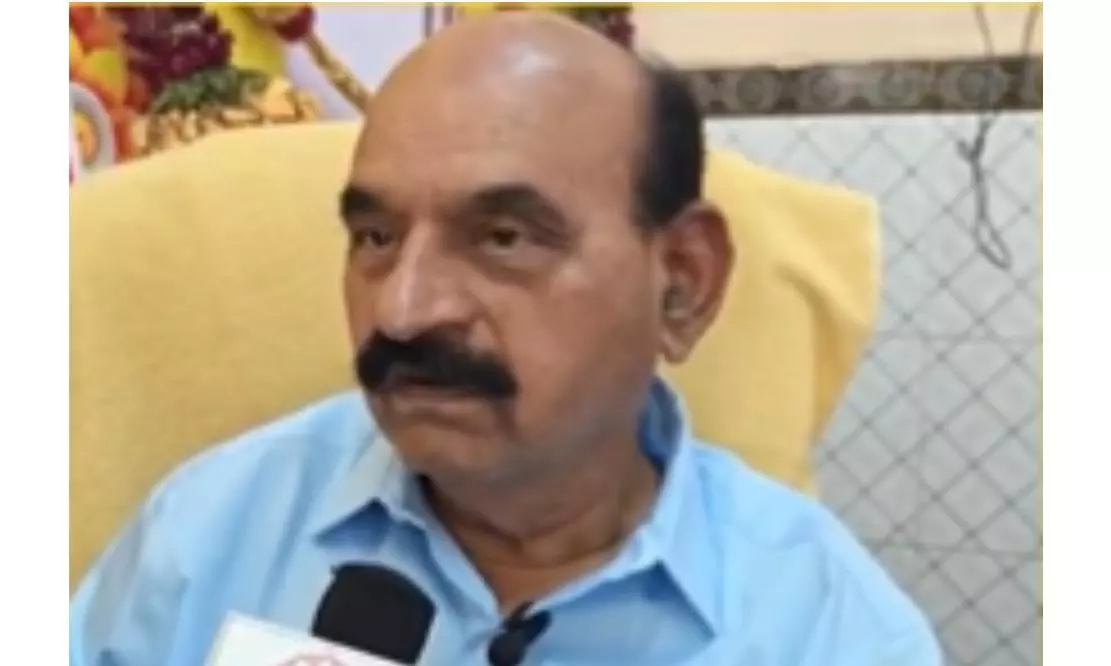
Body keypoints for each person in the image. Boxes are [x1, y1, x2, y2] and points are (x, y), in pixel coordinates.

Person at [70, 12, 940, 666]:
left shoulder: (825, 626)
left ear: (681, 282)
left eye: (502, 238)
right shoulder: (209, 533)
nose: (403, 311)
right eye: (375, 237)